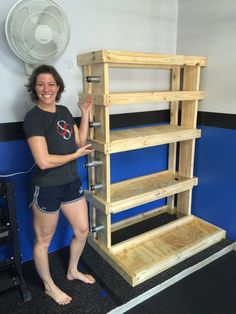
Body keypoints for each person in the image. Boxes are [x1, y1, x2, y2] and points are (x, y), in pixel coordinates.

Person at [23, 64, 95, 305]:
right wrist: (75, 156)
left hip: (70, 182)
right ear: (35, 88)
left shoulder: (64, 111)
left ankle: (72, 270)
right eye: (41, 84)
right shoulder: (33, 117)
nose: (46, 89)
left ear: (58, 87)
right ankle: (49, 286)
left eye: (51, 84)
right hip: (47, 187)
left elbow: (79, 141)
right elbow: (43, 161)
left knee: (82, 230)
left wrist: (84, 113)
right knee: (43, 241)